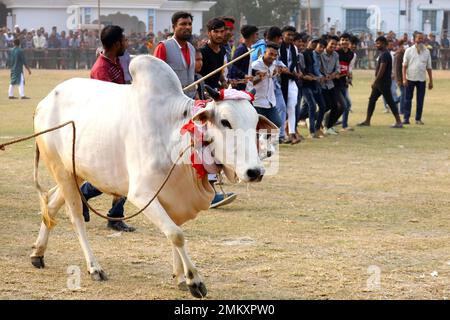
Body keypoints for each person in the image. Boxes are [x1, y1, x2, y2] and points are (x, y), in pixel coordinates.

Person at [82, 25, 136, 232]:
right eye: (124, 40)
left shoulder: (115, 62)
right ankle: (85, 195)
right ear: (115, 44)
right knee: (117, 174)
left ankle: (114, 215)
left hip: (122, 125)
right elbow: (110, 102)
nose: (127, 44)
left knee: (122, 173)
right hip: (109, 130)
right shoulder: (101, 69)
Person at [358, 36, 403, 128]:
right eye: (376, 43)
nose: (376, 45)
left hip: (383, 83)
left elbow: (381, 70)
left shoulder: (385, 54)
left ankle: (399, 122)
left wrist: (375, 81)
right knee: (372, 100)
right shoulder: (383, 53)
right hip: (380, 83)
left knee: (390, 101)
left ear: (383, 44)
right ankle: (367, 121)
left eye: (378, 43)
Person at [154, 11, 197, 98]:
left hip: (190, 100)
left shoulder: (192, 48)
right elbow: (155, 77)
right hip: (171, 100)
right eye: (183, 24)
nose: (187, 27)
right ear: (174, 27)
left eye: (190, 24)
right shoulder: (163, 47)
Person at [402, 32, 433, 125]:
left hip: (421, 80)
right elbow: (404, 66)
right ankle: (406, 119)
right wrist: (404, 79)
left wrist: (431, 81)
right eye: (419, 38)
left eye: (422, 38)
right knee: (408, 99)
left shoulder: (427, 52)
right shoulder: (408, 50)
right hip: (410, 78)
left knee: (420, 100)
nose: (420, 40)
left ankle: (418, 119)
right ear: (414, 39)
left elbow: (429, 67)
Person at [278, 26, 302, 145]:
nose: (291, 37)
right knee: (281, 108)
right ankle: (281, 134)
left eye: (292, 35)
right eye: (288, 35)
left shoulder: (294, 48)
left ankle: (292, 132)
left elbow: (295, 63)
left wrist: (297, 72)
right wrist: (283, 70)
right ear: (282, 35)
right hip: (279, 81)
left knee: (292, 106)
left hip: (292, 80)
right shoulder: (278, 47)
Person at [251, 42, 282, 128]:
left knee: (277, 123)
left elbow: (276, 69)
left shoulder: (273, 64)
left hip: (270, 101)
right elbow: (250, 83)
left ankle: (264, 140)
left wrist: (277, 71)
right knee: (259, 127)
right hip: (257, 102)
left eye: (275, 55)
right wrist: (259, 78)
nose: (273, 57)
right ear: (264, 53)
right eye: (270, 54)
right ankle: (259, 140)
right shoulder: (255, 65)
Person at [228, 25, 259, 91]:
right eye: (256, 34)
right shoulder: (241, 49)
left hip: (247, 86)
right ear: (252, 35)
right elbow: (233, 67)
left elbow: (247, 67)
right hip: (239, 87)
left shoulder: (248, 49)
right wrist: (244, 75)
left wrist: (255, 72)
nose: (257, 36)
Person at [335, 33, 355, 132]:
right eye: (342, 40)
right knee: (343, 104)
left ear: (349, 42)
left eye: (346, 40)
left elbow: (349, 68)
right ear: (340, 41)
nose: (344, 42)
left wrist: (349, 77)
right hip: (334, 83)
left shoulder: (351, 54)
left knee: (345, 104)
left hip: (343, 82)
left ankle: (344, 125)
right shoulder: (336, 53)